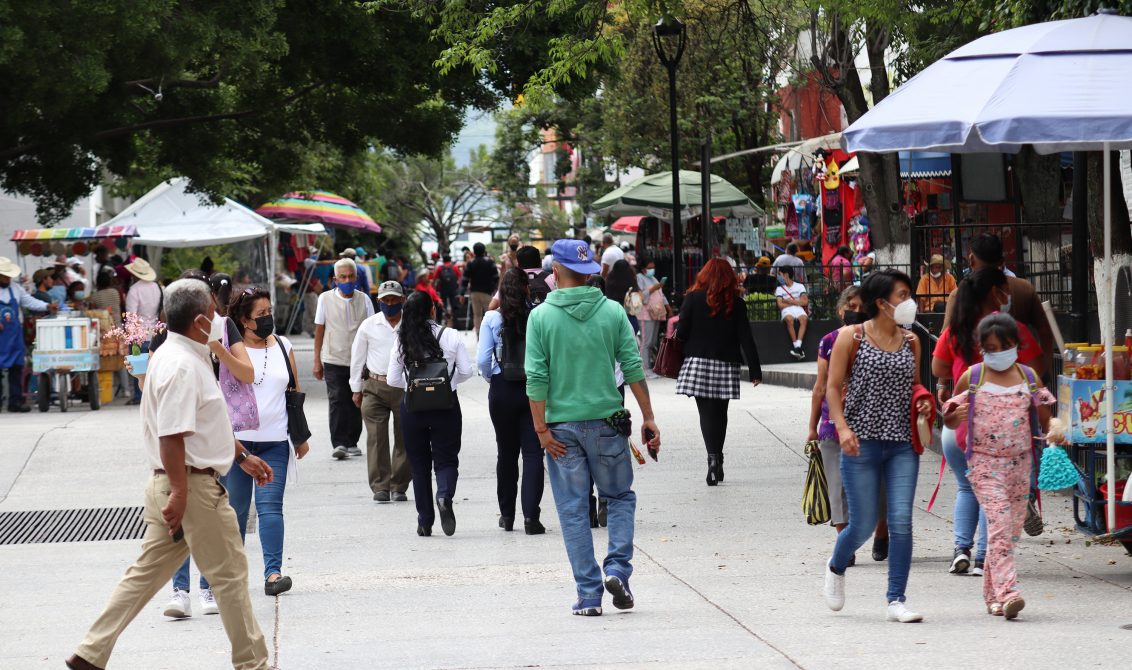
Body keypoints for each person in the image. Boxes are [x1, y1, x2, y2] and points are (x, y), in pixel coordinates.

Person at [65, 279, 272, 670]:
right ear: (198, 321)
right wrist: (180, 491)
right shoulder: (181, 364)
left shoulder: (178, 355)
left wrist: (240, 455)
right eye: (214, 312)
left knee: (144, 575)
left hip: (178, 483)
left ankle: (90, 652)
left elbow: (201, 426)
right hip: (190, 486)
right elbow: (172, 434)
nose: (220, 319)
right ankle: (254, 664)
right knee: (229, 575)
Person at [525, 238, 661, 616]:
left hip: (561, 428)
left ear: (555, 271)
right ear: (591, 272)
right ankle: (617, 568)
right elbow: (633, 367)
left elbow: (536, 378)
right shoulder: (613, 312)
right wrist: (648, 417)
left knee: (572, 510)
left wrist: (540, 429)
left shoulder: (540, 317)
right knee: (618, 498)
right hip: (606, 423)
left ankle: (588, 595)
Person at [823, 269, 932, 624]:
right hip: (860, 443)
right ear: (881, 302)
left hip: (902, 443)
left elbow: (914, 385)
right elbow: (833, 387)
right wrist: (841, 428)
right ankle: (836, 565)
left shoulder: (912, 341)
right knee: (863, 524)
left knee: (900, 521)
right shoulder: (850, 337)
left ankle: (896, 599)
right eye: (902, 295)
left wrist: (924, 402)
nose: (909, 302)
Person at [932, 266, 1044, 576]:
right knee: (992, 495)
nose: (1008, 294)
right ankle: (984, 558)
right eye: (1005, 288)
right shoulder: (1014, 331)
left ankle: (961, 550)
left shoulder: (954, 332)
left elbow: (938, 369)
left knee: (967, 490)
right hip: (997, 434)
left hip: (957, 432)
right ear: (995, 293)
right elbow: (1038, 374)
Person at [942, 313, 1053, 619]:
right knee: (1000, 526)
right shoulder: (973, 376)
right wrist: (954, 416)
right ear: (982, 348)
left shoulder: (1029, 378)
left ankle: (992, 596)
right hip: (984, 465)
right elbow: (950, 414)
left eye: (1003, 346)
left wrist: (1056, 429)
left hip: (1021, 466)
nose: (997, 354)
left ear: (1015, 345)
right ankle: (1008, 592)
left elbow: (1046, 420)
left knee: (1008, 533)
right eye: (990, 348)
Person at [808, 286, 889, 565]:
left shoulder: (882, 338)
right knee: (837, 486)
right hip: (833, 422)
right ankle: (846, 542)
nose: (856, 311)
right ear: (841, 310)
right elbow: (820, 386)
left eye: (862, 306)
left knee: (878, 482)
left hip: (872, 422)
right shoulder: (829, 341)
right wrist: (812, 426)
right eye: (851, 305)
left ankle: (881, 531)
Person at [387, 291, 474, 536]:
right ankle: (444, 495)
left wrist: (414, 386)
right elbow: (466, 370)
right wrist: (447, 384)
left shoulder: (401, 339)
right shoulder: (451, 335)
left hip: (413, 408)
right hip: (446, 406)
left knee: (419, 464)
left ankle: (425, 521)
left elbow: (393, 378)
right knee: (446, 459)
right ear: (433, 311)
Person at [675, 259, 762, 486]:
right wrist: (755, 369)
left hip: (698, 362)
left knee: (705, 414)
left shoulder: (692, 299)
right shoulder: (737, 303)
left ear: (703, 275)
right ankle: (719, 458)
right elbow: (747, 338)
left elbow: (681, 331)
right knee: (721, 414)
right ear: (729, 278)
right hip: (726, 364)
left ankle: (712, 460)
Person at [477, 269, 546, 535]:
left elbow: (483, 360)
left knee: (505, 453)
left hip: (502, 388)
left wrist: (492, 377)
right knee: (532, 453)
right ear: (527, 290)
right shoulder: (538, 315)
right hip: (533, 389)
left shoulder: (492, 318)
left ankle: (507, 516)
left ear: (501, 291)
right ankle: (531, 517)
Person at [943, 233, 1053, 379]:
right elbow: (1045, 332)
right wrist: (1044, 374)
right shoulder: (1024, 288)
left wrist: (943, 383)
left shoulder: (959, 294)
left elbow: (946, 344)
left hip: (970, 387)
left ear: (971, 259)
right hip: (1018, 385)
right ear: (1002, 261)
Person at [350, 281, 412, 503]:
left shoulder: (412, 324)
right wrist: (356, 389)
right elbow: (357, 359)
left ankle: (399, 485)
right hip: (374, 386)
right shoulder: (368, 325)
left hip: (404, 387)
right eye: (386, 300)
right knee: (376, 438)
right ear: (379, 301)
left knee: (405, 437)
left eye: (395, 299)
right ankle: (380, 486)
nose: (390, 303)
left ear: (403, 300)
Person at [314, 258, 374, 460]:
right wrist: (317, 361)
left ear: (356, 277)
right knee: (337, 400)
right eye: (343, 277)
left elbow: (372, 330)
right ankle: (339, 443)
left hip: (359, 361)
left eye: (351, 276)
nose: (347, 280)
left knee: (356, 399)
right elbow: (319, 330)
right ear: (335, 279)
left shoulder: (365, 299)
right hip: (333, 358)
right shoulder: (324, 299)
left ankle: (352, 441)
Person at [0, 258, 53, 412]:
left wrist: (46, 306)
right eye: (4, 276)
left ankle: (15, 402)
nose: (7, 279)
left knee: (17, 368)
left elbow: (29, 301)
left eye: (8, 276)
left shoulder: (16, 289)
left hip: (14, 335)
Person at [124, 258, 161, 406]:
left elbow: (131, 315)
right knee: (154, 364)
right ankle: (154, 393)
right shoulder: (156, 287)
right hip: (155, 330)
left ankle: (140, 395)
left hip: (139, 333)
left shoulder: (134, 290)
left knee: (137, 365)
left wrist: (129, 333)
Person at [488, 245, 556, 311]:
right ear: (540, 262)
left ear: (518, 264)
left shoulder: (511, 280)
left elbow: (492, 307)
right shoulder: (551, 278)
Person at [635, 258, 669, 378]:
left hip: (656, 312)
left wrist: (667, 307)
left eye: (653, 267)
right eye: (649, 267)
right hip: (645, 314)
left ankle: (649, 366)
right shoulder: (639, 277)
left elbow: (661, 294)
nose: (652, 269)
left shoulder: (653, 278)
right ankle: (645, 368)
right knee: (646, 341)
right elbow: (640, 295)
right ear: (643, 268)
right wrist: (654, 288)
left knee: (652, 341)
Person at [463, 242, 499, 337]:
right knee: (489, 313)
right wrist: (495, 288)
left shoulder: (471, 263)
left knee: (477, 315)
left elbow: (465, 279)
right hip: (487, 292)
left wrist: (462, 293)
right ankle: (490, 334)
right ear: (484, 251)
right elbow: (496, 277)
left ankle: (479, 335)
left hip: (474, 292)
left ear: (474, 252)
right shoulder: (490, 262)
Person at [775, 266, 809, 360]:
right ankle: (797, 347)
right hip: (787, 310)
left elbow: (805, 302)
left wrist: (789, 301)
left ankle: (797, 347)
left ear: (786, 275)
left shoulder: (800, 286)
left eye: (780, 274)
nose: (778, 276)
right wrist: (795, 302)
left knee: (804, 319)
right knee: (789, 319)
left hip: (798, 308)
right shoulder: (779, 289)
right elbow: (780, 305)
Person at [604, 259, 640, 335]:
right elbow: (636, 300)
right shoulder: (631, 280)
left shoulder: (609, 281)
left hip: (612, 315)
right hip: (629, 316)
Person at [433, 254, 463, 327]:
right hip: (453, 289)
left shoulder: (440, 268)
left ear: (443, 260)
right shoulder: (455, 267)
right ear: (450, 260)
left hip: (443, 289)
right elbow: (460, 277)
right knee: (454, 306)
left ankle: (440, 323)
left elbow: (435, 278)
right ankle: (456, 324)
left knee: (443, 306)